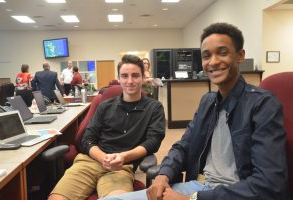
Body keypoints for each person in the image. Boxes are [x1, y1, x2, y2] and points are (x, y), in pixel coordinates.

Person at [101, 22, 289, 200]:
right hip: (197, 187)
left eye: (222, 53)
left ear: (240, 55)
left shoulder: (263, 105)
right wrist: (163, 175)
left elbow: (269, 184)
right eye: (207, 56)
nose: (213, 62)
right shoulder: (208, 102)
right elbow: (183, 146)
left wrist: (193, 198)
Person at [48, 54, 166, 200]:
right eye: (125, 76)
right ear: (119, 78)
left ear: (143, 77)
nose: (130, 81)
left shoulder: (154, 108)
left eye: (135, 76)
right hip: (89, 162)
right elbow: (87, 139)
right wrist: (103, 158)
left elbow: (153, 142)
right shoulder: (105, 106)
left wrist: (123, 157)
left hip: (122, 167)